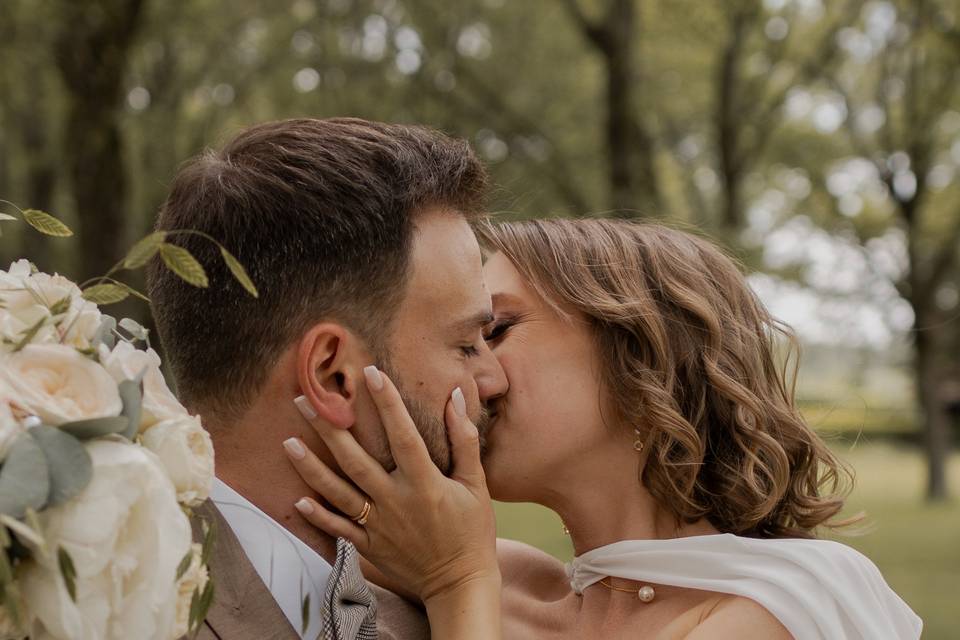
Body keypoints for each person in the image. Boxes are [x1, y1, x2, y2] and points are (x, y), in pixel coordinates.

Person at [287, 218, 923, 639]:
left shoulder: (773, 610)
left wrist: (457, 588)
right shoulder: (493, 575)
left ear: (640, 358)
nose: (473, 369)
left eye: (496, 330)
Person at [146, 117, 509, 640]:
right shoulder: (110, 611)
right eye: (466, 344)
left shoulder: (437, 607)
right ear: (333, 374)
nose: (494, 378)